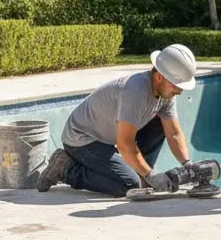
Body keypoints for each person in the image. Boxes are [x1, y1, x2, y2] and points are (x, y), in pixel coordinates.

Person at [37, 44, 198, 197]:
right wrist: (151, 174)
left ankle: (142, 175)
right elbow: (125, 144)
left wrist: (188, 164)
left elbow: (174, 134)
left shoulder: (166, 94)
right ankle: (65, 167)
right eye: (176, 85)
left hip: (105, 138)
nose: (180, 91)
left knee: (160, 124)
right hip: (82, 139)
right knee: (129, 185)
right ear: (159, 77)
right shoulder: (135, 92)